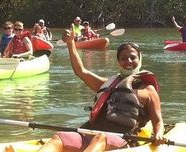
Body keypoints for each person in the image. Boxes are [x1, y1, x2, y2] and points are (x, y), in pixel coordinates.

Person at [36, 30, 165, 152]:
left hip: (121, 140)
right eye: (124, 58)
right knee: (59, 137)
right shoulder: (107, 84)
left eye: (133, 57)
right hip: (90, 134)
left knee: (100, 138)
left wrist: (159, 134)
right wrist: (70, 44)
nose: (128, 61)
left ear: (139, 58)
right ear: (118, 61)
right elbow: (81, 71)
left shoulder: (148, 90)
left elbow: (158, 121)